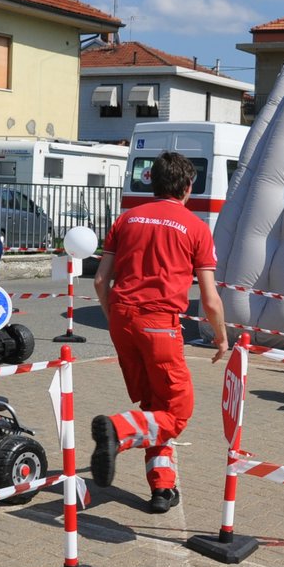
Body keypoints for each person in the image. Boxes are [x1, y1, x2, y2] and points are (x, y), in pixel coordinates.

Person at [90, 151, 229, 514]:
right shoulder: (196, 227)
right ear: (188, 187)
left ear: (151, 181)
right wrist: (221, 336)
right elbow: (210, 299)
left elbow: (101, 280)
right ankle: (117, 430)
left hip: (122, 318)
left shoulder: (127, 219)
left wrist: (114, 317)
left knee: (155, 408)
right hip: (159, 324)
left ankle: (162, 488)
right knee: (178, 412)